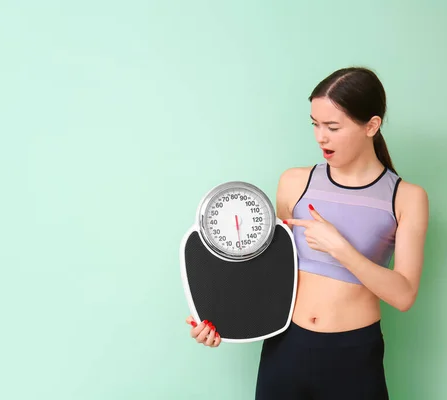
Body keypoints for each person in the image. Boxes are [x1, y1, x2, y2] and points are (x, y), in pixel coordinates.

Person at [184, 66, 430, 399]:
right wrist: (219, 321)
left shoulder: (406, 197)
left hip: (354, 356)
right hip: (286, 346)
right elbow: (268, 275)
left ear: (371, 126)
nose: (320, 137)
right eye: (315, 124)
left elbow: (403, 295)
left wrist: (340, 249)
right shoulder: (295, 182)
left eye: (332, 127)